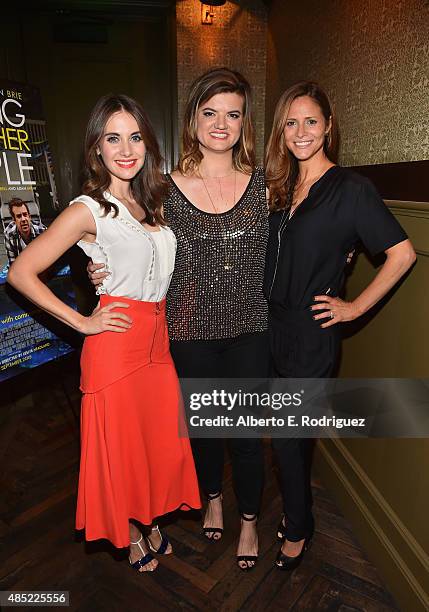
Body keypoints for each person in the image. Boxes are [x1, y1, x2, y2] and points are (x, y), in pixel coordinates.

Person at [7, 94, 200, 573]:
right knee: (120, 448)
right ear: (96, 148)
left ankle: (150, 515)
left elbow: (145, 266)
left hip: (159, 342)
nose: (126, 149)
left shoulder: (149, 201)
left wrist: (103, 272)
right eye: (113, 138)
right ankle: (131, 529)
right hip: (116, 345)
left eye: (134, 137)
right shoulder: (88, 209)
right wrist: (84, 322)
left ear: (148, 145)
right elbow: (21, 272)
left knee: (153, 443)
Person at [89, 68, 270, 571]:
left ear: (244, 123)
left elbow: (293, 242)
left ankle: (250, 521)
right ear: (192, 121)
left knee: (246, 435)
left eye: (232, 114)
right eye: (210, 113)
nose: (221, 124)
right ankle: (211, 496)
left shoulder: (265, 187)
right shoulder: (161, 190)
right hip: (187, 333)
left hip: (250, 332)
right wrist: (94, 262)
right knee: (204, 432)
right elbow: (132, 242)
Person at [264, 81, 416, 570]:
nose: (300, 132)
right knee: (281, 435)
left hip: (312, 335)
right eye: (291, 122)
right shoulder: (283, 187)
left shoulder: (351, 189)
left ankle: (299, 528)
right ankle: (295, 511)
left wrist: (353, 308)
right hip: (272, 328)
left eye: (311, 121)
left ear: (328, 126)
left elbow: (402, 253)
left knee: (287, 440)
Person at [4, 198, 46, 264]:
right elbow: (12, 263)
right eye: (19, 216)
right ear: (14, 220)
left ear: (29, 217)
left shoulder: (42, 231)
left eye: (25, 215)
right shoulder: (9, 234)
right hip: (21, 267)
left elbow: (47, 260)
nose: (23, 219)